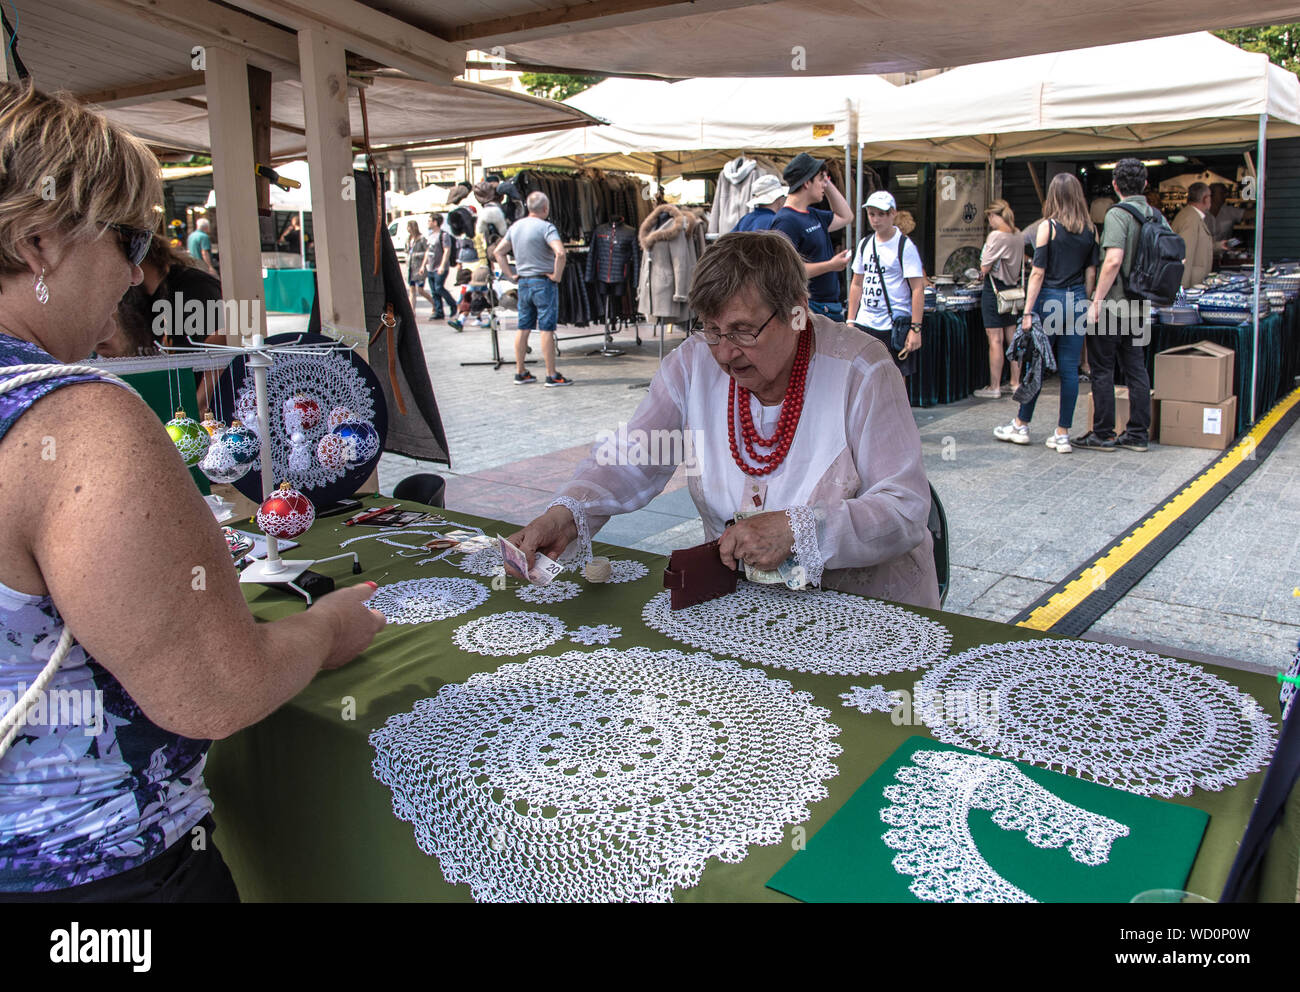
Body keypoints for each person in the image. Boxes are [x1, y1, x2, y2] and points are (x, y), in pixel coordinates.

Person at [0, 82, 384, 902]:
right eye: (130, 239)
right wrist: (325, 630)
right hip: (96, 878)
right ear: (37, 242)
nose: (140, 277)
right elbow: (212, 689)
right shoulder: (78, 420)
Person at [505, 231, 938, 608]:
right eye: (712, 330)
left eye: (743, 330)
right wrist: (568, 511)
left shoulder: (861, 369)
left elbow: (905, 508)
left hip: (865, 613)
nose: (725, 352)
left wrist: (800, 530)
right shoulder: (693, 364)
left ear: (797, 311)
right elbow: (633, 456)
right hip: (742, 606)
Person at [992, 174, 1097, 454]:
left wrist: (1027, 312)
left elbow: (1037, 272)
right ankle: (1062, 433)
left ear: (1053, 196)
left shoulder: (1047, 228)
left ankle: (1021, 424)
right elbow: (1090, 273)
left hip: (1049, 298)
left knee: (1036, 365)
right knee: (1070, 368)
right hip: (1076, 300)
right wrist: (1085, 301)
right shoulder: (1090, 230)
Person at [1076, 157, 1158, 452]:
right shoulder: (1155, 215)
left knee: (1103, 369)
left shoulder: (1117, 215)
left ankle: (1104, 433)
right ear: (1145, 184)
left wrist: (1095, 301)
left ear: (1114, 184)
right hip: (1141, 304)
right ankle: (1138, 433)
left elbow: (1112, 260)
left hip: (1113, 305)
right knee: (1136, 367)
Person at [99, 232, 227, 409]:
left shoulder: (195, 288)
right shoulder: (128, 295)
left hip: (192, 413)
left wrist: (194, 408)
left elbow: (222, 346)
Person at [491, 191, 572, 387]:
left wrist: (510, 274)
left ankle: (520, 371)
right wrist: (557, 275)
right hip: (543, 282)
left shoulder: (516, 227)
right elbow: (560, 253)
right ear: (545, 208)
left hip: (524, 282)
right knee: (546, 329)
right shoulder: (546, 227)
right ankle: (551, 374)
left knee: (523, 326)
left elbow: (498, 252)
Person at [848, 190, 924, 378]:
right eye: (872, 214)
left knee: (895, 375)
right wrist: (851, 319)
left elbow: (917, 288)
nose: (875, 219)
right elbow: (857, 283)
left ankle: (896, 408)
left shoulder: (904, 246)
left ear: (892, 214)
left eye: (881, 214)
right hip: (866, 320)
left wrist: (915, 328)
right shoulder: (865, 244)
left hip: (893, 323)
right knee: (864, 374)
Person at [770, 153, 852, 321]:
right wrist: (830, 265)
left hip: (827, 308)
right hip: (808, 308)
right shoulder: (785, 221)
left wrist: (826, 182)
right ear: (807, 182)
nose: (824, 184)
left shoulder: (813, 214)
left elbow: (847, 216)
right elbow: (785, 271)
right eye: (821, 179)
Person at [975, 199, 1024, 399]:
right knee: (1012, 338)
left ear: (995, 216)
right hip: (1013, 290)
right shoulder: (1018, 234)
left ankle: (994, 386)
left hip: (995, 291)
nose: (990, 222)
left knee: (995, 339)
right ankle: (1015, 382)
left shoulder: (996, 236)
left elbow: (984, 267)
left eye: (990, 217)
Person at [1171, 182, 1222, 288]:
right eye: (1210, 196)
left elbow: (1199, 245)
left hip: (1194, 285)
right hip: (1190, 287)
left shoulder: (1193, 216)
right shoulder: (1191, 219)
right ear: (1205, 199)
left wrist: (1219, 246)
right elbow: (1185, 257)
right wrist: (1182, 294)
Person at [421, 212, 457, 322]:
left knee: (439, 288)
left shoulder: (444, 235)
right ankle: (439, 312)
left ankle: (453, 304)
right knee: (434, 291)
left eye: (429, 220)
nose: (428, 222)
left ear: (435, 222)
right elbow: (428, 251)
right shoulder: (430, 235)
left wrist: (442, 265)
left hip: (440, 267)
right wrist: (423, 266)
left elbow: (447, 250)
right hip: (431, 267)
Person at [404, 219, 435, 314]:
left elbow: (427, 252)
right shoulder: (408, 239)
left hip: (418, 267)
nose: (408, 229)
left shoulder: (421, 239)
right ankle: (412, 312)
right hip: (410, 268)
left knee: (420, 290)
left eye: (409, 227)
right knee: (412, 291)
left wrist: (422, 264)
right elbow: (406, 251)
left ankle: (434, 304)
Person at [1207, 183, 1245, 248]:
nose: (1225, 195)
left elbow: (1250, 214)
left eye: (1225, 193)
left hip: (1224, 255)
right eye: (1221, 193)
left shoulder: (1229, 211)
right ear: (1211, 195)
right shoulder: (1200, 213)